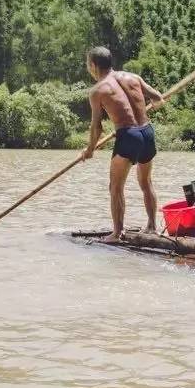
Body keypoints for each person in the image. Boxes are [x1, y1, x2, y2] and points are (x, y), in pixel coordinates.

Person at [81, 46, 165, 243]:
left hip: (128, 136)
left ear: (93, 65)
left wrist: (90, 150)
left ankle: (117, 234)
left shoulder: (98, 90)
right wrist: (149, 107)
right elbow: (159, 99)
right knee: (146, 182)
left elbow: (97, 128)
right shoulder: (132, 77)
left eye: (88, 65)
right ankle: (152, 227)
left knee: (115, 187)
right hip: (147, 132)